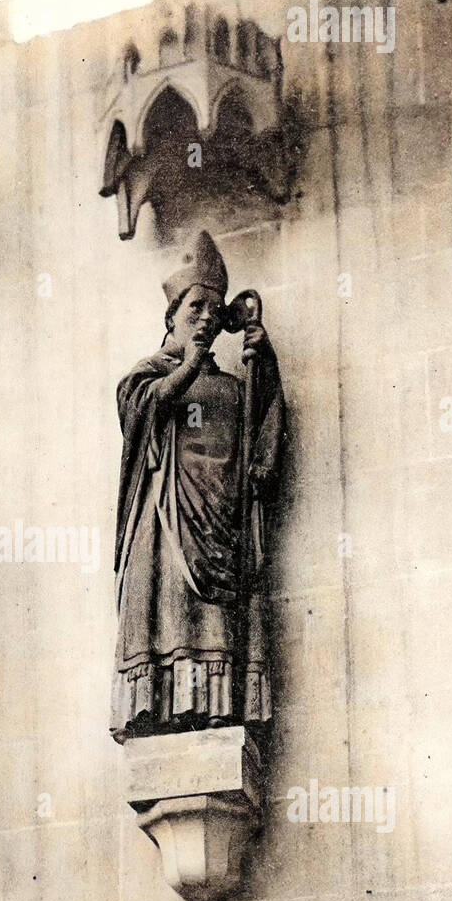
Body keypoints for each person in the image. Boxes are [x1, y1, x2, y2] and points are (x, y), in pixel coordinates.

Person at [111, 231, 285, 743]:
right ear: (172, 315)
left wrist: (265, 367)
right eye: (196, 306)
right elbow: (142, 412)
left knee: (216, 625)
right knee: (168, 613)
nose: (207, 316)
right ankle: (164, 708)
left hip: (221, 526)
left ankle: (214, 709)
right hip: (165, 520)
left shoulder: (235, 387)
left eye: (215, 308)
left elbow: (263, 449)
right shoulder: (146, 377)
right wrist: (187, 363)